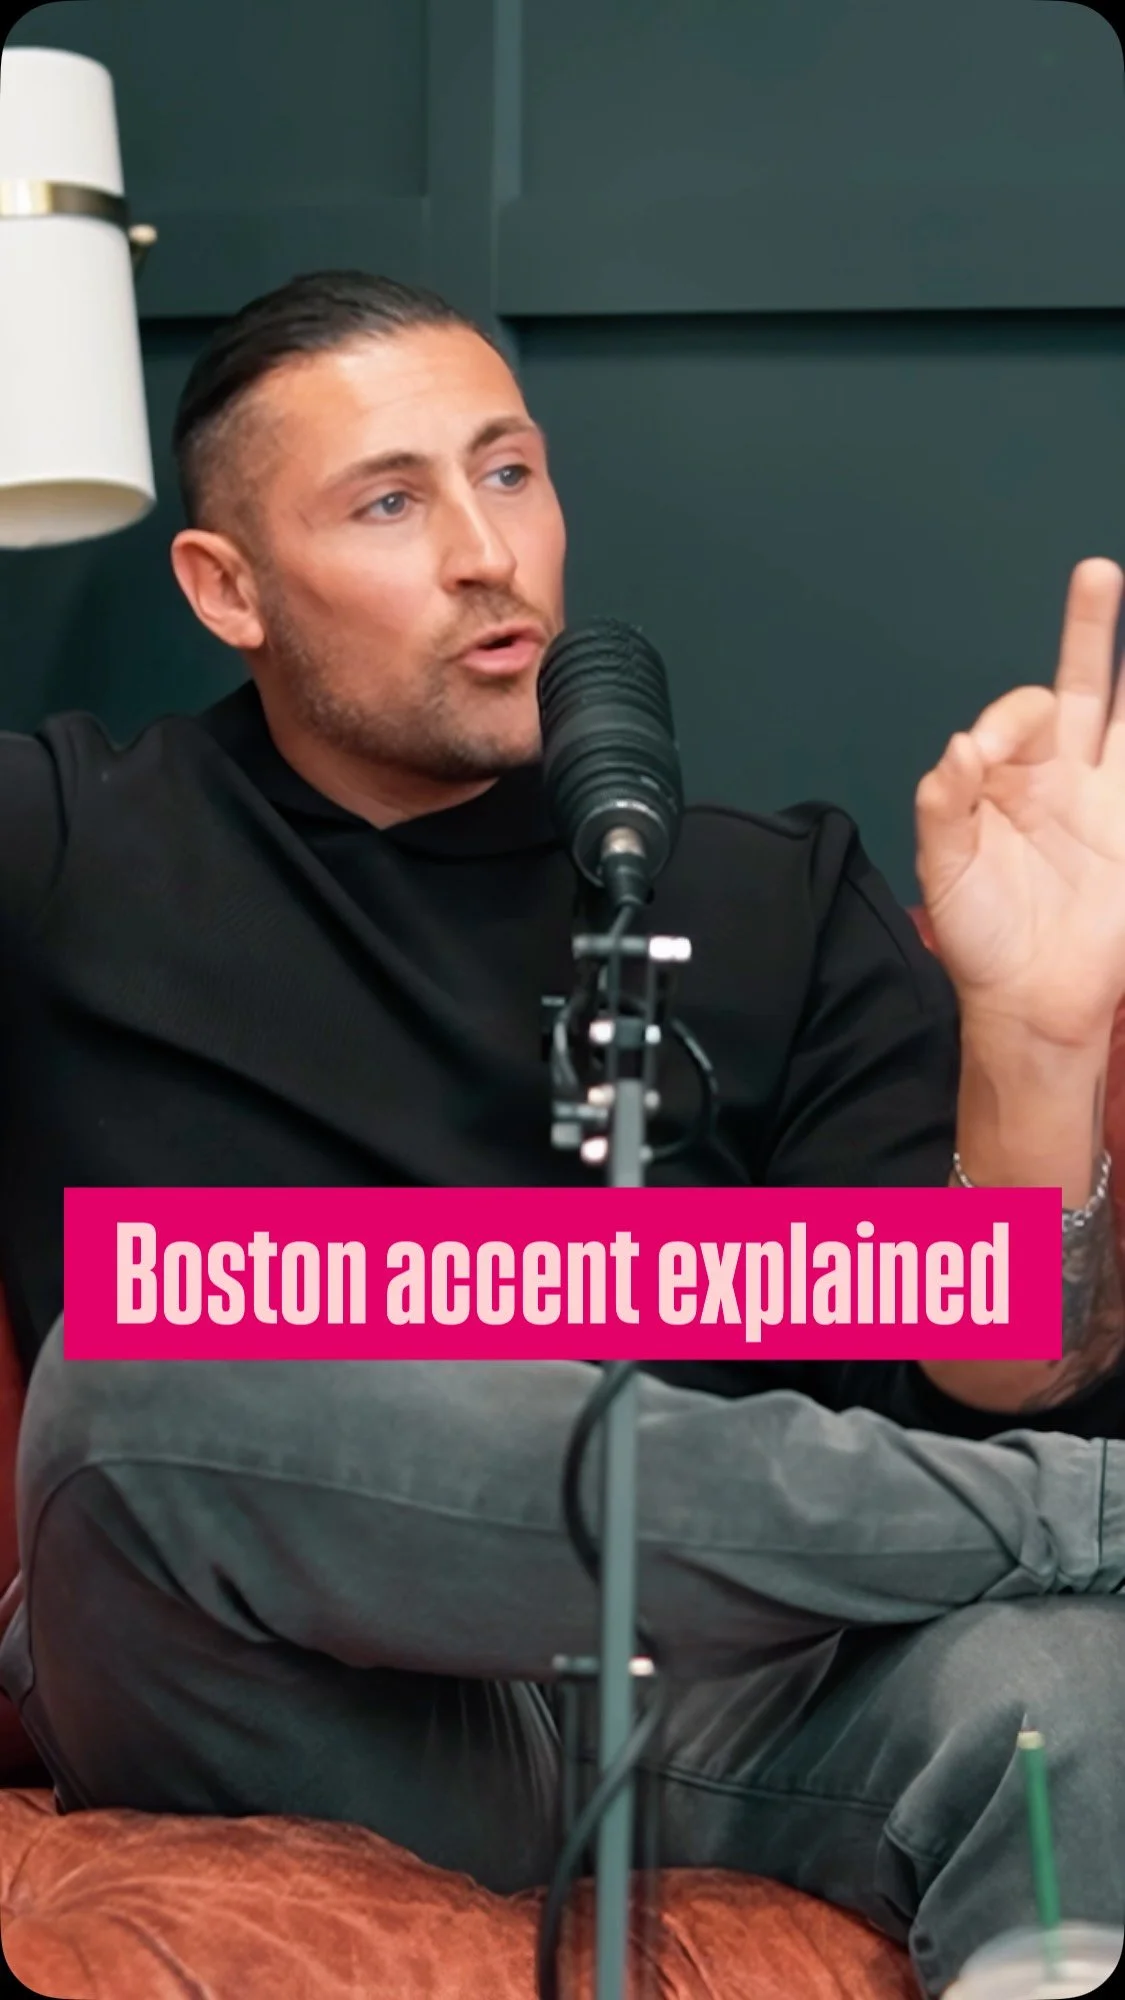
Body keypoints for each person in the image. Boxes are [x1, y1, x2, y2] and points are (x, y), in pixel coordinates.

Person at [0, 269, 1122, 1998]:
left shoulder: (773, 893)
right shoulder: (64, 845)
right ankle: (1094, 1514)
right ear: (226, 588)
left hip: (746, 1691)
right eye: (389, 502)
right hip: (302, 1697)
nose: (486, 553)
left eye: (509, 471)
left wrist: (1039, 1047)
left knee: (1074, 1696)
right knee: (152, 1340)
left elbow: (980, 1353)